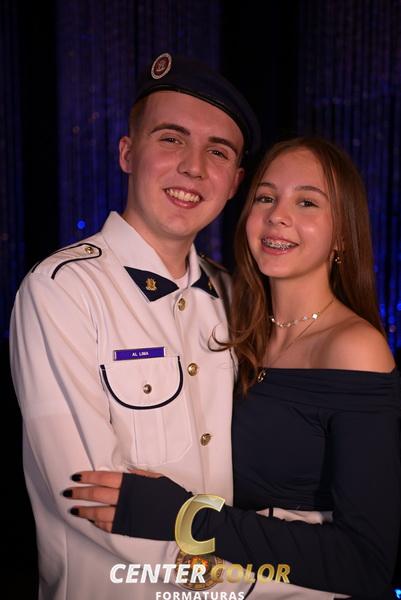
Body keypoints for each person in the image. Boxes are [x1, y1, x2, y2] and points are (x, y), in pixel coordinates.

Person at [67, 137, 401, 599]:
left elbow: (364, 563)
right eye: (265, 197)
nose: (278, 215)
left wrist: (186, 517)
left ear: (343, 233)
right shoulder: (235, 326)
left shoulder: (355, 348)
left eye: (306, 202)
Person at [10, 52, 271, 599]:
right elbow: (92, 496)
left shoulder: (239, 298)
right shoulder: (62, 290)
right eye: (171, 139)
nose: (193, 168)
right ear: (128, 152)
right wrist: (274, 576)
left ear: (234, 182)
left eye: (217, 152)